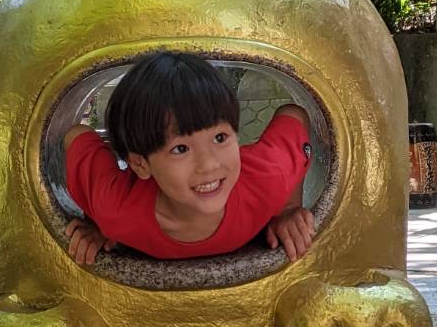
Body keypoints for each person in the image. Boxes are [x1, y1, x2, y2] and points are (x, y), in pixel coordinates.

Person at [63, 50, 315, 265]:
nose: (209, 164)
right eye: (180, 149)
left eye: (220, 138)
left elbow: (294, 113)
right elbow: (76, 134)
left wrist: (287, 208)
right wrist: (95, 222)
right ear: (140, 164)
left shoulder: (267, 179)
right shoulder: (116, 209)